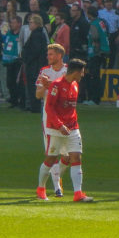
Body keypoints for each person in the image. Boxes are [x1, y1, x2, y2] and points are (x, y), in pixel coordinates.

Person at [37, 58, 93, 202]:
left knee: (76, 157)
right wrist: (59, 125)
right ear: (75, 72)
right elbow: (49, 107)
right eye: (82, 72)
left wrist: (69, 124)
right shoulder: (56, 86)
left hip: (72, 127)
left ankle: (78, 193)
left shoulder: (75, 85)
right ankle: (41, 188)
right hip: (56, 129)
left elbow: (70, 108)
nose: (83, 75)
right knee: (51, 159)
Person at [35, 44, 68, 197]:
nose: (48, 57)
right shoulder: (44, 71)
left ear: (60, 55)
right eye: (48, 54)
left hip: (66, 116)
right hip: (49, 116)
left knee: (68, 156)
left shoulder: (67, 71)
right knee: (52, 152)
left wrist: (52, 85)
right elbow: (38, 95)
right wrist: (45, 87)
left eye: (51, 54)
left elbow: (70, 92)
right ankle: (55, 188)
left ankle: (57, 178)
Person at [22, 15, 49, 113]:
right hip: (36, 64)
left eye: (31, 22)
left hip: (34, 65)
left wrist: (27, 59)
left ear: (37, 23)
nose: (29, 24)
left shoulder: (36, 35)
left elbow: (35, 51)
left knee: (33, 86)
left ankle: (35, 107)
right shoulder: (38, 33)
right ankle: (34, 106)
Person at [84, 6, 110, 105]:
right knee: (96, 75)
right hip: (104, 50)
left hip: (96, 53)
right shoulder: (101, 22)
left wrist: (95, 50)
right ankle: (96, 98)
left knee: (93, 76)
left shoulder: (93, 24)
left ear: (89, 14)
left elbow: (95, 37)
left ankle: (94, 99)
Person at [3, 15, 24, 109]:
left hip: (18, 61)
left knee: (18, 82)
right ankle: (13, 100)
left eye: (14, 22)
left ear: (19, 24)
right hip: (8, 61)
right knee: (9, 81)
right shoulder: (8, 33)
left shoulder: (22, 34)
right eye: (11, 23)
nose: (11, 24)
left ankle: (20, 100)